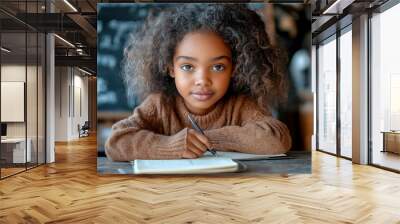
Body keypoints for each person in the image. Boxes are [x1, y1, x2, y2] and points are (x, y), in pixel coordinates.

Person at [105, 4, 292, 161]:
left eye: (218, 67)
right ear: (171, 68)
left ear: (234, 68)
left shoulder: (240, 105)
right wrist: (171, 146)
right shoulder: (160, 104)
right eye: (187, 66)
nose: (202, 80)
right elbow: (115, 142)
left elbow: (277, 139)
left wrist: (205, 139)